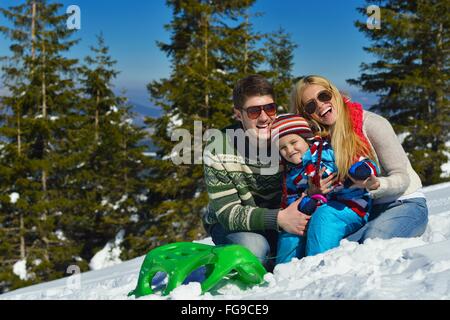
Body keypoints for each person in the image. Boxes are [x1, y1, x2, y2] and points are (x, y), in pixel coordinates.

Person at [289, 75, 428, 243]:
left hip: (405, 202)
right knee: (339, 250)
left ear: (335, 93)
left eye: (323, 96)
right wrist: (314, 191)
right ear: (306, 114)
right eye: (311, 105)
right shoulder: (319, 142)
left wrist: (377, 184)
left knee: (372, 241)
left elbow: (402, 177)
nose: (320, 105)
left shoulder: (371, 123)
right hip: (365, 211)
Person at [202, 74, 309, 271]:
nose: (264, 117)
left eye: (269, 108)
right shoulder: (218, 148)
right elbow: (228, 213)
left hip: (283, 220)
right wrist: (280, 218)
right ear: (238, 114)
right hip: (234, 225)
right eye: (253, 111)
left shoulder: (287, 140)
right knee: (255, 250)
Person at [271, 114, 380, 264]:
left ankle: (318, 265)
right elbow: (290, 198)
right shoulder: (291, 174)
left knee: (324, 216)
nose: (289, 150)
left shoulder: (329, 152)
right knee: (291, 231)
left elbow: (363, 162)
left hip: (349, 205)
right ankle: (283, 272)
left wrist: (362, 171)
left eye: (293, 142)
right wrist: (305, 200)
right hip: (314, 210)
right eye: (282, 148)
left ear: (306, 139)